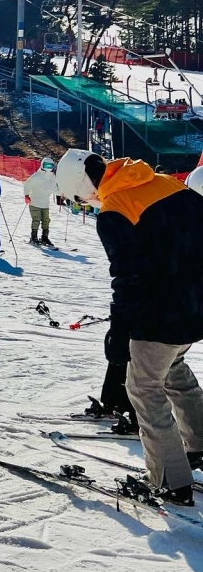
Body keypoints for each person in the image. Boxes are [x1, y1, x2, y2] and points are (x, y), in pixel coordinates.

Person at [56, 149, 203, 504]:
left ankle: (170, 479)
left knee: (143, 387)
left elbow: (129, 277)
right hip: (197, 306)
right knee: (172, 369)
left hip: (164, 313)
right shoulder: (163, 182)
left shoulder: (114, 210)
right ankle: (199, 443)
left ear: (83, 186)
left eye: (81, 197)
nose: (86, 203)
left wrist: (119, 331)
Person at [23, 157, 59, 247]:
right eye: (46, 165)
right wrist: (26, 195)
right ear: (42, 165)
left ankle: (44, 237)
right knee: (36, 220)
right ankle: (33, 237)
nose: (48, 167)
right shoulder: (37, 176)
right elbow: (27, 184)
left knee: (46, 221)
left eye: (50, 165)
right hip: (35, 203)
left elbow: (54, 188)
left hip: (45, 204)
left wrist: (62, 193)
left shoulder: (52, 178)